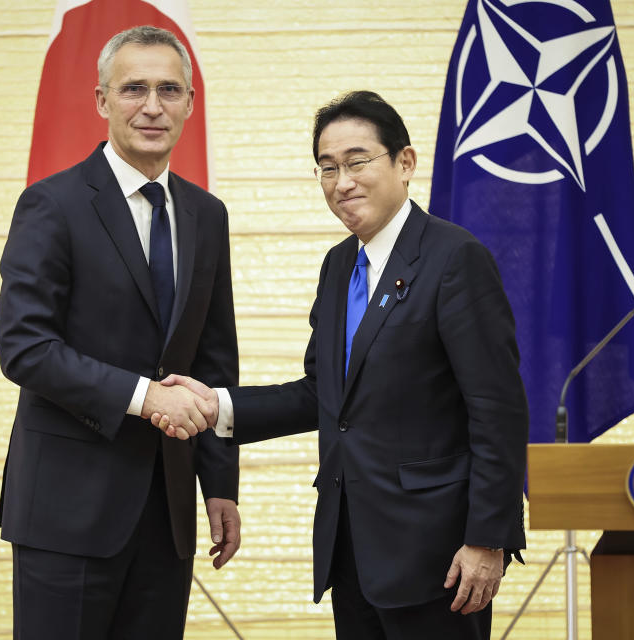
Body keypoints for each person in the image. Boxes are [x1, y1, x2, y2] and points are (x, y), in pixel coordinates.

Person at [155, 91, 528, 640]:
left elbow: (497, 409)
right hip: (351, 544)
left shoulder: (454, 258)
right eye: (327, 169)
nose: (342, 182)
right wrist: (218, 406)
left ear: (405, 163)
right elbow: (320, 394)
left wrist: (487, 539)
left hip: (440, 554)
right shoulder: (338, 266)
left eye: (357, 162)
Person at [0, 25, 240, 640]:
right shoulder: (52, 204)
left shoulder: (207, 216)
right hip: (66, 511)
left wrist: (220, 486)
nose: (152, 106)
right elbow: (25, 347)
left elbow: (213, 357)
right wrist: (145, 396)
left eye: (169, 90)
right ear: (103, 101)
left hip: (168, 512)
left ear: (190, 102)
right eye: (134, 89)